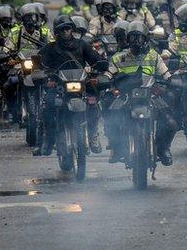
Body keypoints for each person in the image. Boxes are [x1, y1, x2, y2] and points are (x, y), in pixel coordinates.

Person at [103, 22, 177, 165]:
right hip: (126, 95)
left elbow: (166, 74)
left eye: (139, 38)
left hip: (150, 94)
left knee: (170, 123)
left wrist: (172, 81)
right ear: (127, 40)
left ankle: (163, 149)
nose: (136, 42)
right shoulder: (119, 57)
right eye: (132, 38)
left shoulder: (154, 56)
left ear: (146, 39)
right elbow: (108, 73)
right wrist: (104, 80)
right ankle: (117, 148)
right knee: (111, 116)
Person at [36, 15, 108, 156]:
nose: (65, 32)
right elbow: (39, 64)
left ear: (72, 29)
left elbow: (95, 59)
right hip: (58, 84)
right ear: (57, 32)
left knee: (93, 102)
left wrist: (101, 65)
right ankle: (48, 140)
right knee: (48, 105)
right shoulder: (50, 48)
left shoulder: (82, 44)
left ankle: (93, 135)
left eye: (67, 28)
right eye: (62, 29)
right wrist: (44, 76)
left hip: (81, 83)